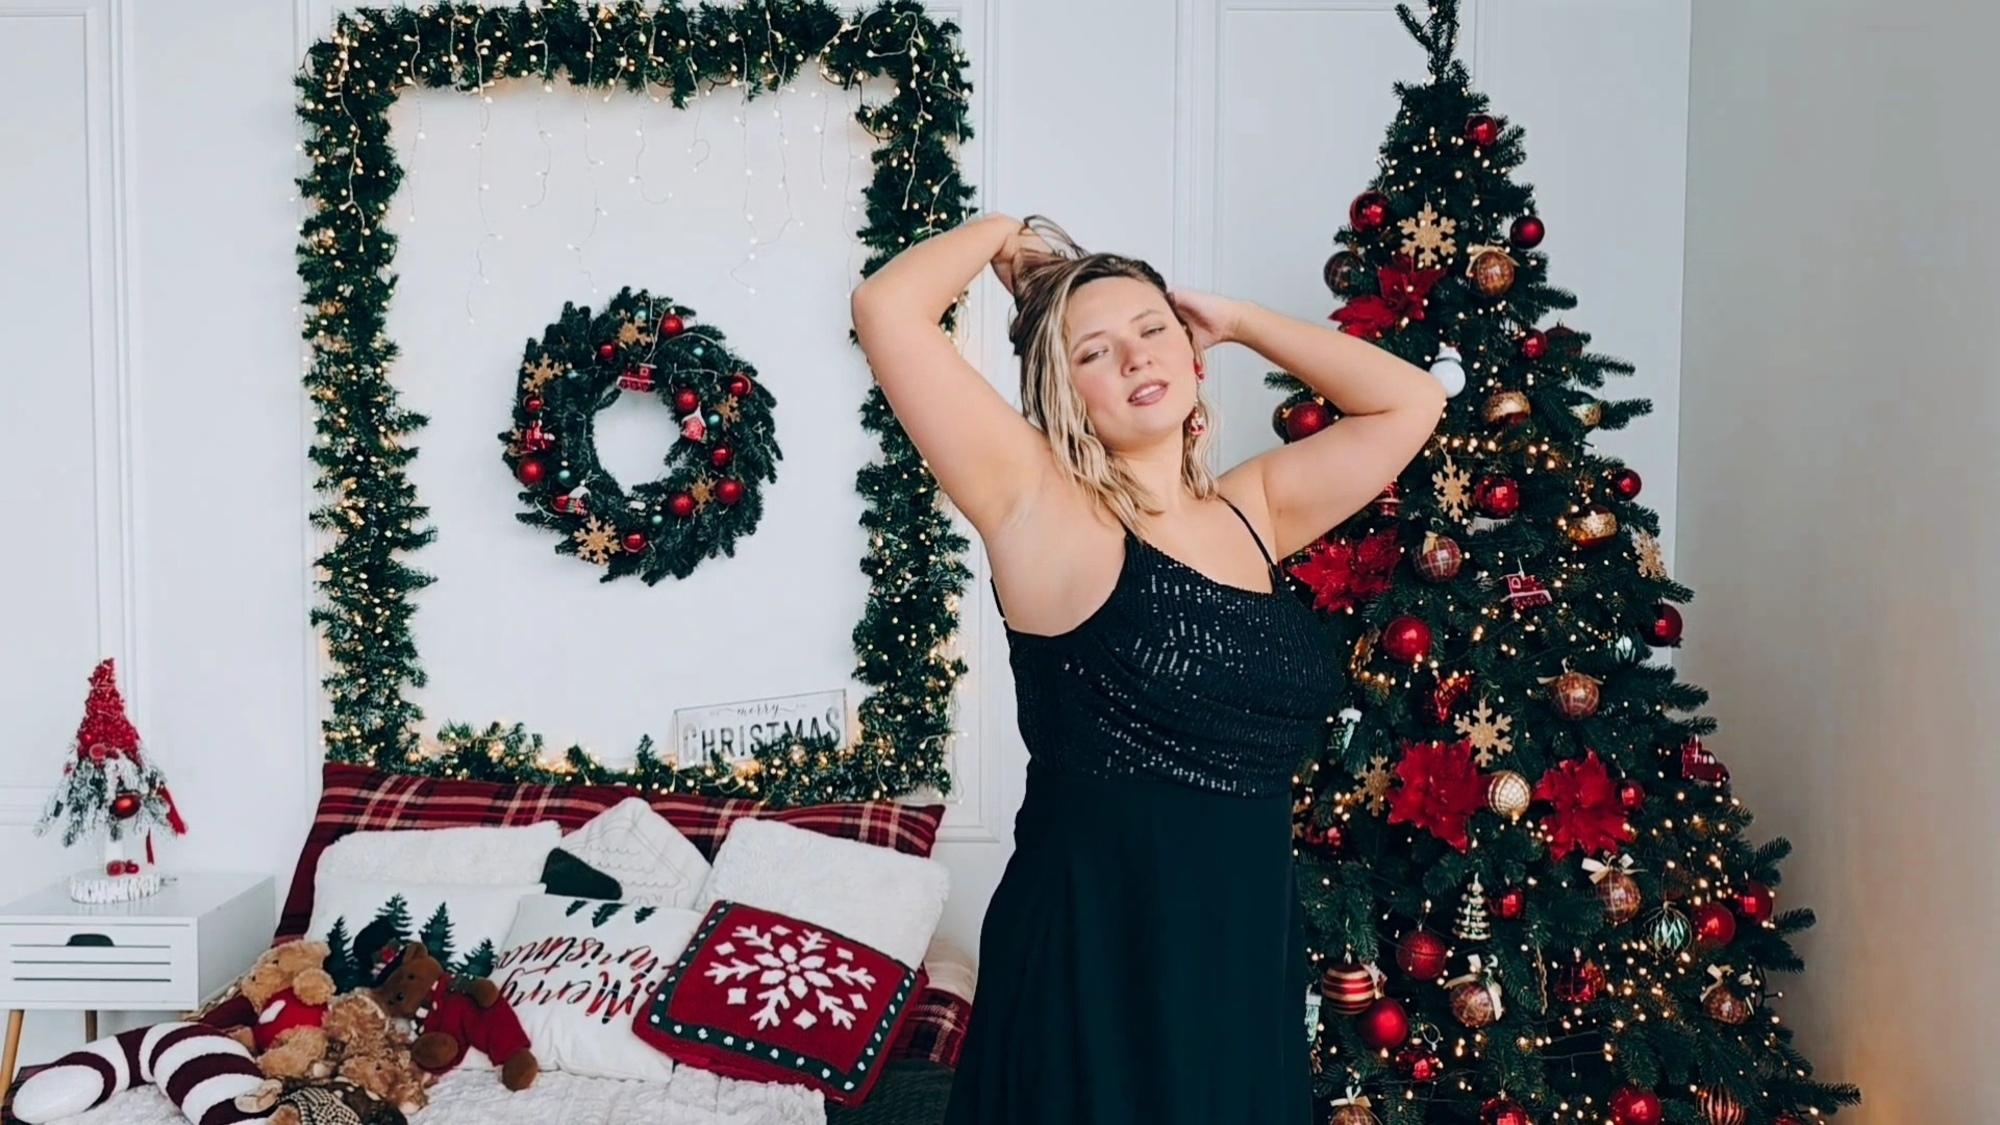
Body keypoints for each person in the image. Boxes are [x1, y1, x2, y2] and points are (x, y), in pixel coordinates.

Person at [850, 214, 1443, 1124]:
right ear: (1063, 391)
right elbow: (886, 308)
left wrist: (1238, 319)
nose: (1134, 357)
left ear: (1191, 352)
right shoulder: (1034, 504)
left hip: (1244, 955)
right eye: (1094, 351)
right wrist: (1010, 236)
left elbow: (1412, 402)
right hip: (1096, 957)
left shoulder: (1255, 508)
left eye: (1152, 328)